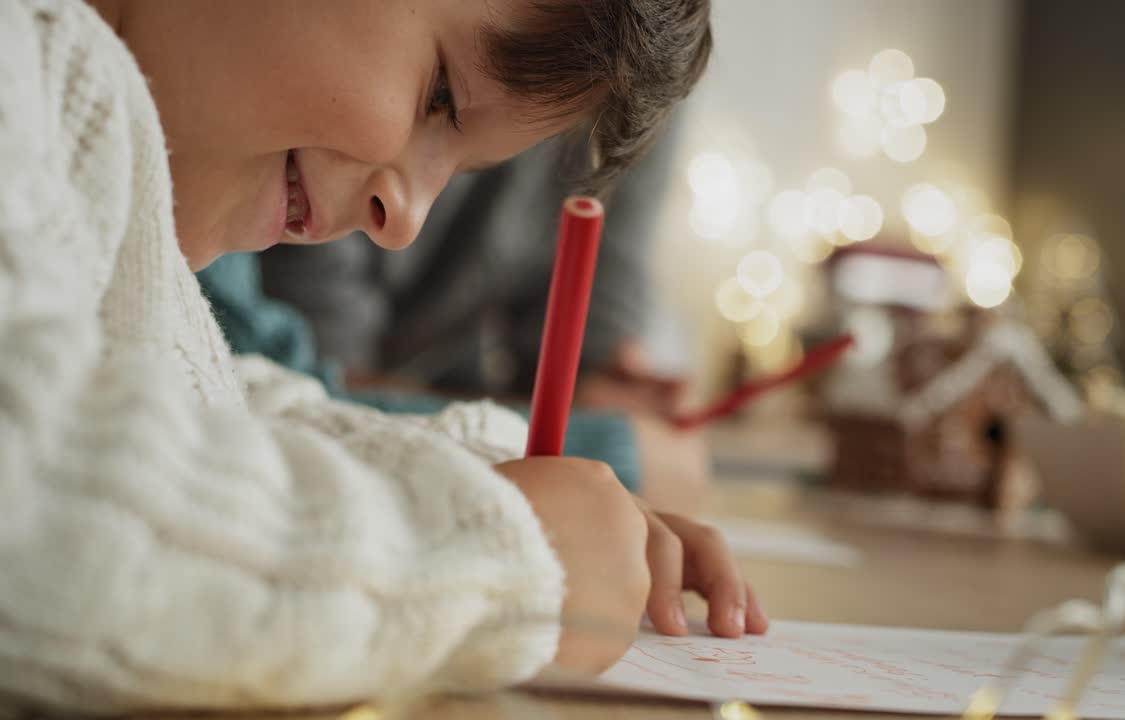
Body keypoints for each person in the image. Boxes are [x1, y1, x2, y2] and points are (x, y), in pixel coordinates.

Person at [0, 0, 767, 714]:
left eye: (457, 170)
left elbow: (223, 406)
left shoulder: (100, 146)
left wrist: (499, 480)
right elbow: (46, 502)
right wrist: (489, 557)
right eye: (440, 97)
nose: (404, 222)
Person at [198, 128, 709, 512]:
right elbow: (301, 390)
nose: (403, 223)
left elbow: (596, 359)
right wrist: (612, 447)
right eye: (440, 94)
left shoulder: (650, 63)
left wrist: (609, 397)